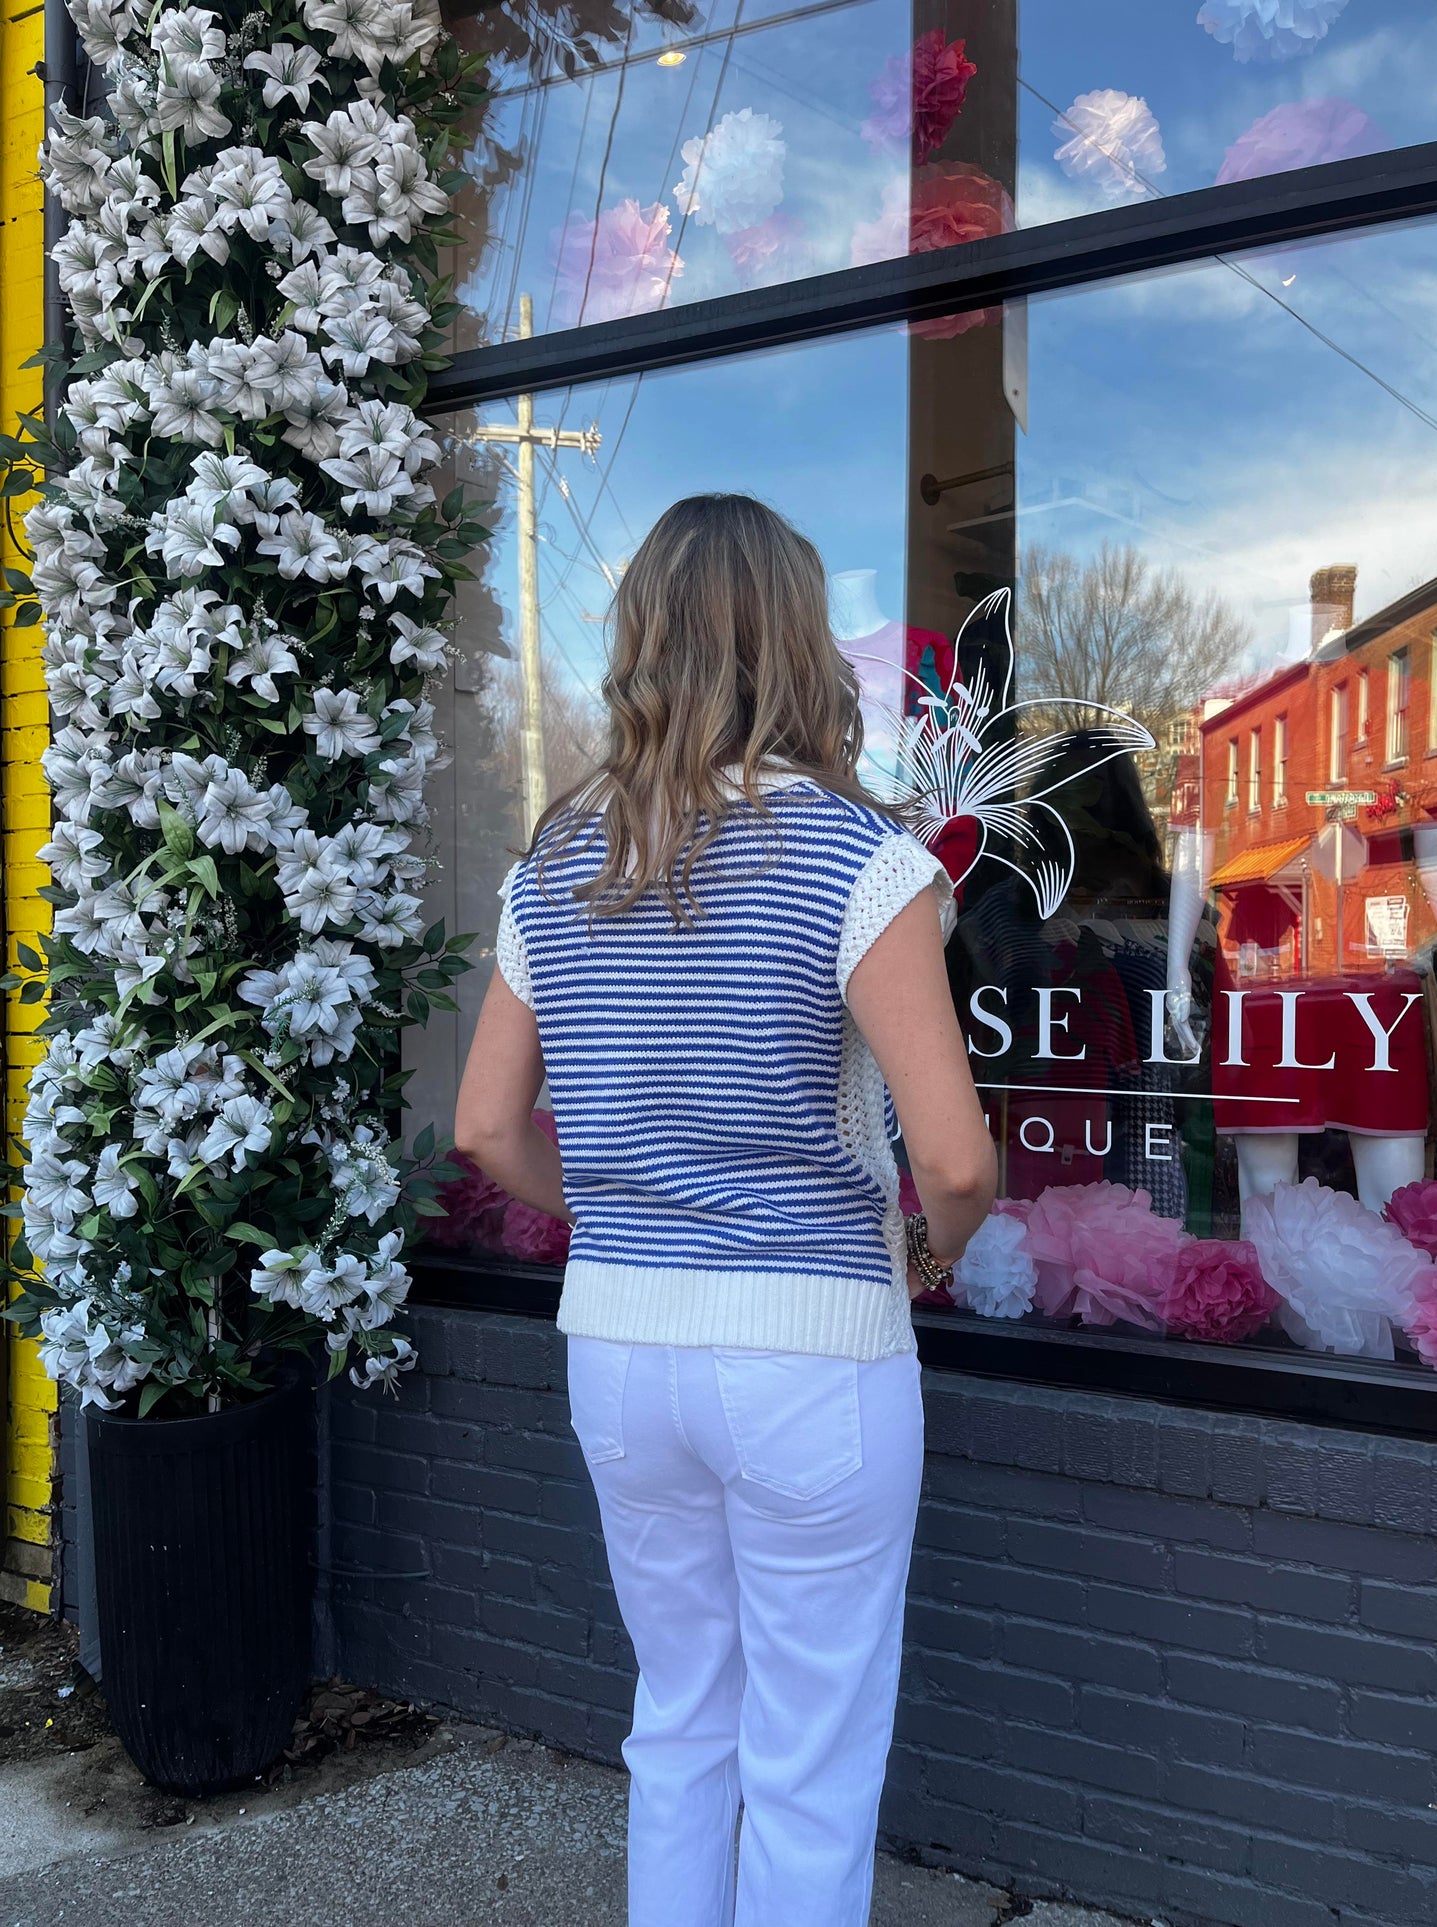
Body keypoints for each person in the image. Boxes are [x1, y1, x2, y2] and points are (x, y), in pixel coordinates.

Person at [454, 493, 996, 1927]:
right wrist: (933, 1257)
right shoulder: (852, 859)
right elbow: (953, 1158)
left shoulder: (553, 866)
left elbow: (484, 1130)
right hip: (813, 1348)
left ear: (640, 645)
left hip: (620, 1350)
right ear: (795, 644)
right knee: (810, 1759)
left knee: (680, 1714)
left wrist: (628, 1213)